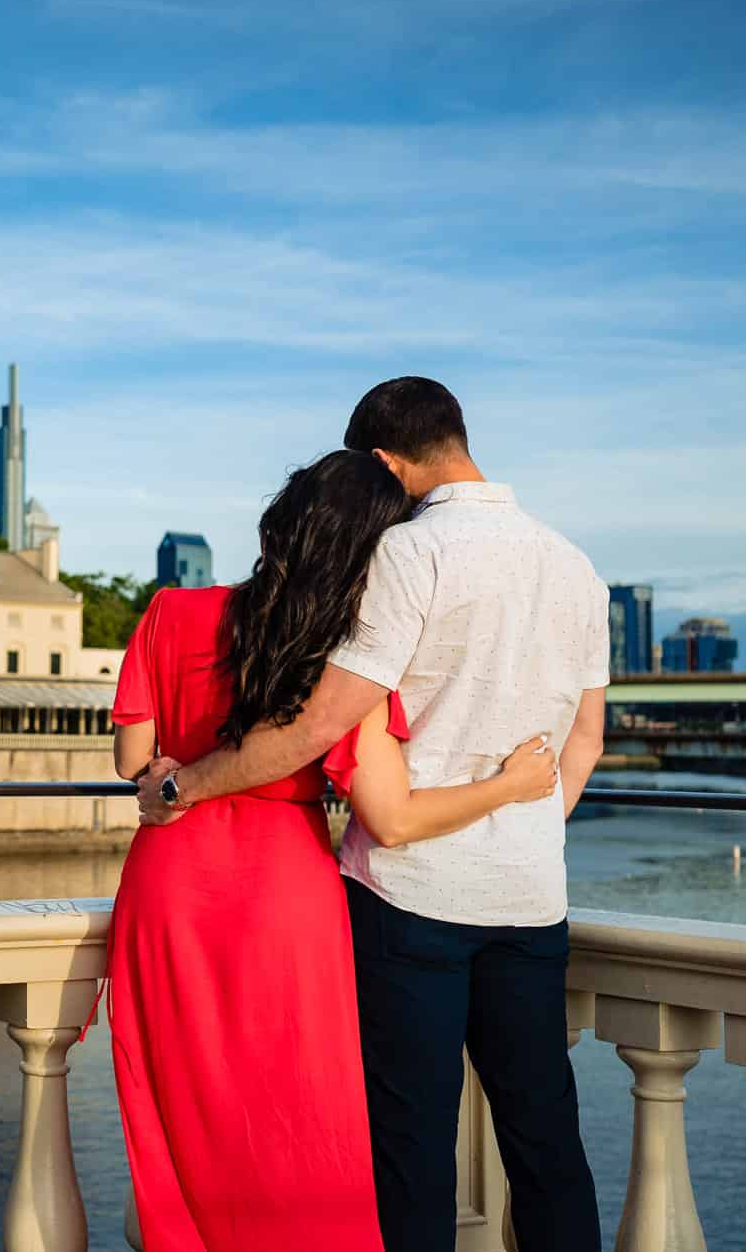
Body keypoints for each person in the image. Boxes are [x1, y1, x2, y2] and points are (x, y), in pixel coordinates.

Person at [136, 378, 608, 1252]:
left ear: (385, 463)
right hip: (531, 900)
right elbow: (585, 736)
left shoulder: (408, 556)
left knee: (410, 1150)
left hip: (409, 901)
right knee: (547, 1145)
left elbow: (321, 722)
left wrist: (188, 785)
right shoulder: (573, 564)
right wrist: (527, 829)